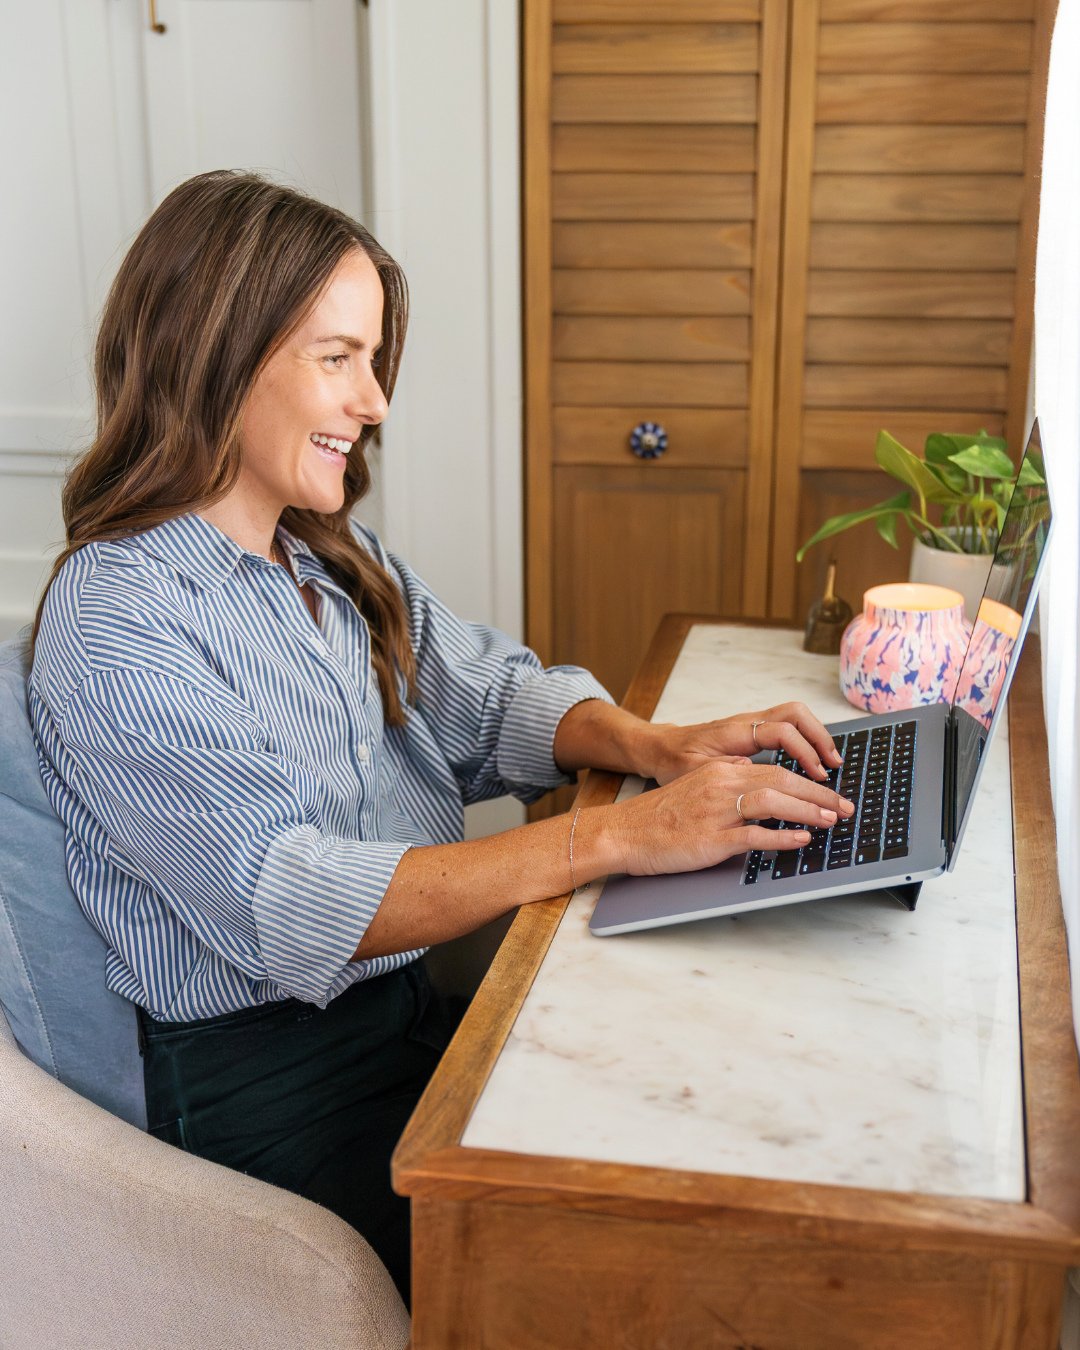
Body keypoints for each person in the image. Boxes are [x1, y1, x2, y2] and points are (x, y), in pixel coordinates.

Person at [28, 170, 853, 1305]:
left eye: (374, 362)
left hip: (404, 1021)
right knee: (602, 1280)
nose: (373, 402)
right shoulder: (118, 615)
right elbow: (292, 903)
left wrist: (653, 745)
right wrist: (618, 840)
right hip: (273, 1093)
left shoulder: (320, 557)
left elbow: (492, 697)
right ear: (214, 352)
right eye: (339, 358)